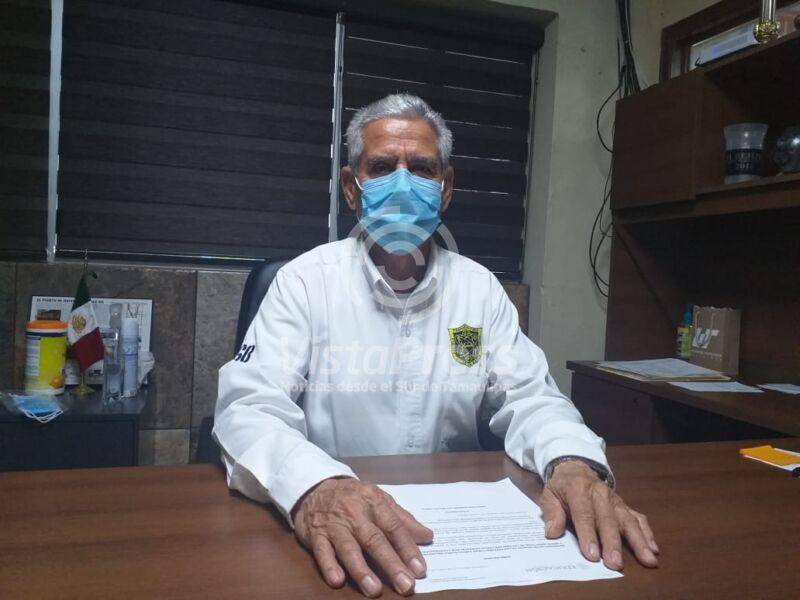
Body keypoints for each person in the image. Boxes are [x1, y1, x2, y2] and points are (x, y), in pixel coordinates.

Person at [214, 93, 658, 598]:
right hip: (339, 529)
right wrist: (316, 487)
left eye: (422, 169)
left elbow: (531, 398)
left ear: (445, 188)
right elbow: (249, 408)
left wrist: (572, 461)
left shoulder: (478, 290)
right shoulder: (304, 282)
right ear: (351, 188)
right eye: (383, 167)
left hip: (454, 540)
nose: (403, 184)